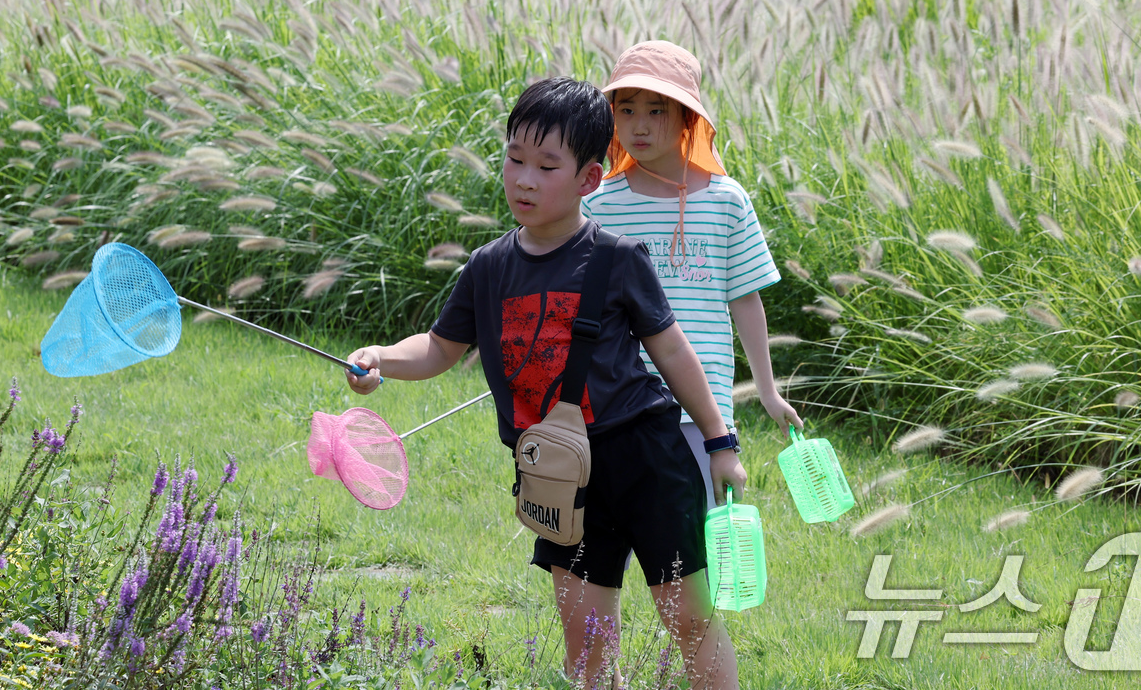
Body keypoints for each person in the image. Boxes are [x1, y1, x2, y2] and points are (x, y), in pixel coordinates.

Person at [343, 77, 745, 689]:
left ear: (588, 179)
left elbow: (671, 350)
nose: (524, 179)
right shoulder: (487, 268)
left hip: (643, 457)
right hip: (556, 474)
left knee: (686, 617)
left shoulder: (616, 259)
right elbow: (439, 347)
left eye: (546, 166)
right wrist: (381, 358)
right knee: (586, 641)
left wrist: (719, 442)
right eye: (514, 159)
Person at [582, 40, 803, 508]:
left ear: (687, 117)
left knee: (697, 547)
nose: (639, 125)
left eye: (657, 110)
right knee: (607, 546)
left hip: (703, 415)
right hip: (615, 407)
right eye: (626, 110)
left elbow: (745, 300)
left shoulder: (727, 201)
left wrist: (767, 392)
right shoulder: (597, 204)